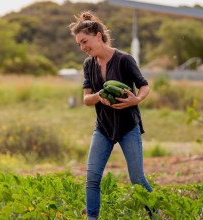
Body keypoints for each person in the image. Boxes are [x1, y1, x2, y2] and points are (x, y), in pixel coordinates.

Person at [69, 11, 157, 220]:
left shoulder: (124, 59)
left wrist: (136, 100)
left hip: (128, 126)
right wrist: (100, 96)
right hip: (103, 128)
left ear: (98, 35)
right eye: (79, 44)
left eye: (85, 41)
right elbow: (87, 99)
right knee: (92, 178)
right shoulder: (88, 65)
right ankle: (92, 218)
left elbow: (144, 86)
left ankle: (156, 215)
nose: (83, 48)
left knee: (137, 179)